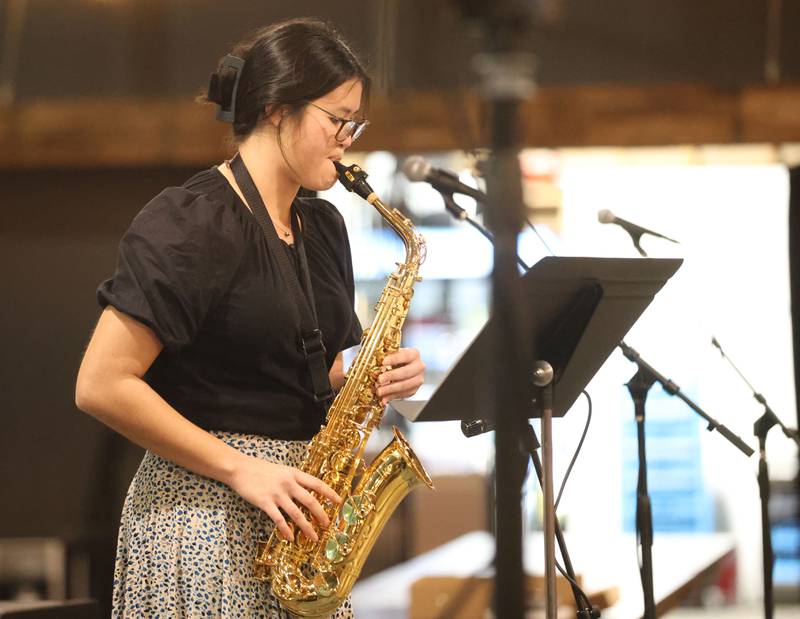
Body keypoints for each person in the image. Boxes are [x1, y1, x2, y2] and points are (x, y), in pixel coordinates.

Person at [74, 18, 425, 618]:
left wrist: (368, 375)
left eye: (354, 123)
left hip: (296, 520)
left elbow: (301, 369)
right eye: (337, 119)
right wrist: (244, 470)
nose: (348, 139)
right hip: (201, 517)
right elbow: (100, 385)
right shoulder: (192, 222)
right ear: (275, 108)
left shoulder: (323, 227)